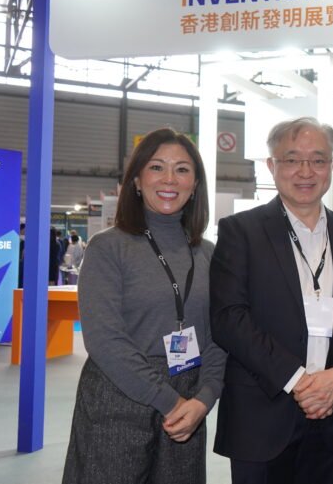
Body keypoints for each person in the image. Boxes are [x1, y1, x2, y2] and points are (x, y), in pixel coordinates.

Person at [210, 117, 333, 484]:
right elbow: (229, 318)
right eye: (291, 159)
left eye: (318, 160)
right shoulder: (241, 231)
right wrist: (299, 380)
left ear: (331, 166)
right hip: (261, 416)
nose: (305, 171)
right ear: (271, 165)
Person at [63, 127, 226, 484]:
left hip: (189, 400)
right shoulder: (109, 247)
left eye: (182, 169)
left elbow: (220, 335)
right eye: (156, 167)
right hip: (119, 396)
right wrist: (169, 401)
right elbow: (105, 339)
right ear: (137, 180)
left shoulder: (208, 253)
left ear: (195, 184)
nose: (169, 179)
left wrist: (204, 398)